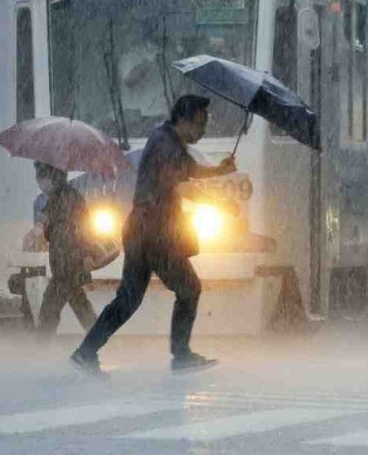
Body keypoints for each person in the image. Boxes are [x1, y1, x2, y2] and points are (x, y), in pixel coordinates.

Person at [70, 95, 236, 375]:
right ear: (184, 119)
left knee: (128, 299)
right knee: (189, 288)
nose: (204, 130)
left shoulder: (166, 139)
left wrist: (218, 170)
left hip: (141, 229)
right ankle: (181, 355)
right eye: (201, 123)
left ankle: (86, 352)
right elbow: (185, 183)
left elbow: (188, 171)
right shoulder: (166, 143)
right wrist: (220, 201)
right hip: (156, 233)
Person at [33, 162, 98, 336]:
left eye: (41, 178)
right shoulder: (65, 196)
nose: (39, 183)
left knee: (50, 308)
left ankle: (38, 350)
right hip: (66, 262)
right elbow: (55, 232)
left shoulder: (64, 198)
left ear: (52, 178)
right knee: (79, 305)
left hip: (67, 262)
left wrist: (86, 254)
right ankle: (99, 336)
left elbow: (77, 230)